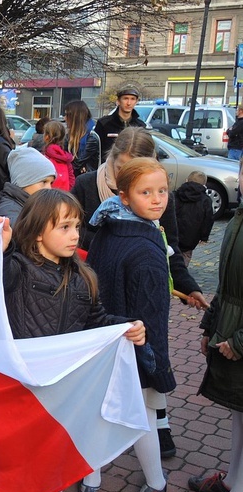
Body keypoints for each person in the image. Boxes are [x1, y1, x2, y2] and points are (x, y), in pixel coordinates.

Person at [0, 190, 146, 492]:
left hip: (62, 391)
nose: (75, 235)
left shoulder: (84, 278)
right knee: (18, 461)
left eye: (77, 226)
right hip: (20, 388)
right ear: (36, 233)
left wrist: (127, 326)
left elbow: (95, 321)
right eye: (64, 227)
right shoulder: (16, 268)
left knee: (51, 463)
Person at [72, 127, 208, 458]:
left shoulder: (161, 196)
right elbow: (72, 234)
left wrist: (189, 287)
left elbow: (169, 247)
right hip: (102, 289)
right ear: (112, 159)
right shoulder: (88, 186)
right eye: (122, 168)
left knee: (149, 361)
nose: (129, 176)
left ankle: (158, 423)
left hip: (144, 292)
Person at [86, 157, 177, 492]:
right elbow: (151, 317)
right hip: (135, 346)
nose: (157, 199)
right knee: (143, 417)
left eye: (163, 191)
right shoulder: (146, 248)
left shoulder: (108, 226)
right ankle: (156, 482)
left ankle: (90, 482)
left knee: (95, 413)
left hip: (103, 337)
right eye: (146, 192)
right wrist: (157, 364)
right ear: (124, 197)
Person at [187, 160, 243, 492]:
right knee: (239, 412)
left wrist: (240, 340)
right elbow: (228, 285)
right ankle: (232, 481)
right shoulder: (238, 218)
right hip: (231, 326)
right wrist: (212, 324)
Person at [0, 147, 56, 226]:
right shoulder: (10, 215)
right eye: (44, 182)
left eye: (51, 183)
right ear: (23, 181)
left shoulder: (33, 205)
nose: (49, 188)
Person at [94, 86, 146, 162]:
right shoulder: (104, 123)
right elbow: (95, 151)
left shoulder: (141, 126)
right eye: (125, 98)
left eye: (132, 99)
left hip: (132, 169)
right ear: (118, 101)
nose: (129, 103)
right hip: (108, 168)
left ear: (136, 102)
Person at [174, 171, 214, 266]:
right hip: (191, 237)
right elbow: (208, 220)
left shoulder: (176, 194)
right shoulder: (205, 200)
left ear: (186, 180)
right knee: (185, 256)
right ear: (204, 185)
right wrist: (204, 237)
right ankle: (181, 271)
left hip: (173, 234)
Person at [64, 100, 100, 175]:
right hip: (76, 176)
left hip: (87, 180)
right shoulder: (70, 135)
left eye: (67, 115)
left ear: (74, 117)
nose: (65, 118)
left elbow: (78, 163)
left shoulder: (92, 136)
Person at [41, 120, 74, 190]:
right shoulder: (65, 157)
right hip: (64, 194)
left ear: (46, 137)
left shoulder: (45, 156)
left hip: (48, 194)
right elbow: (71, 178)